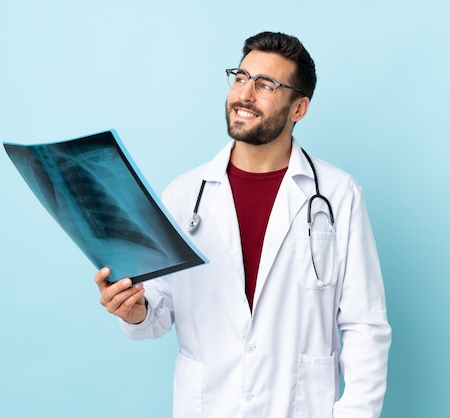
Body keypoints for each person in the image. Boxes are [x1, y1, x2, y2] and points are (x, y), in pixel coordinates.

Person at [94, 31, 391, 418]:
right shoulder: (185, 195)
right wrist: (134, 309)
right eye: (241, 78)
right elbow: (157, 313)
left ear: (299, 108)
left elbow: (365, 324)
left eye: (266, 85)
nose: (245, 95)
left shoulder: (337, 194)